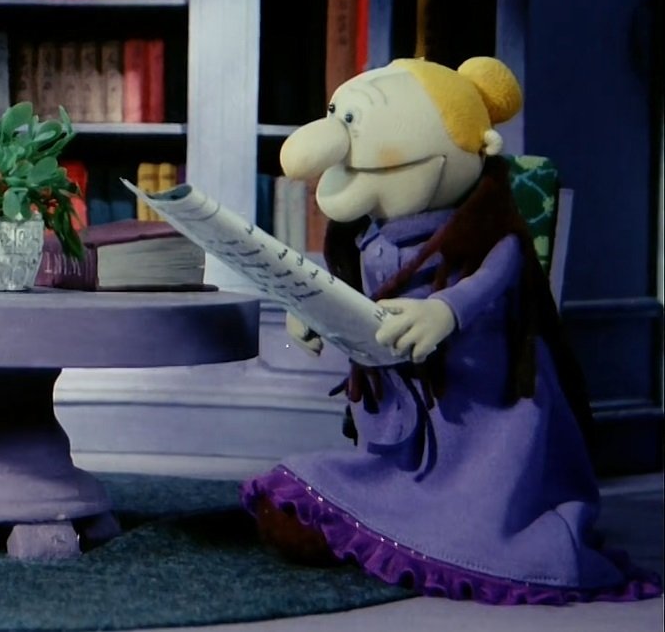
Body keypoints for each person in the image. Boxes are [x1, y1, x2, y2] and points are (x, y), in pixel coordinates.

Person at [241, 56, 661, 603]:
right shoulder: (369, 239)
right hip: (406, 412)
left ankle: (434, 528)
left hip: (482, 418)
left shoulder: (490, 237)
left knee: (476, 511)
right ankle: (384, 514)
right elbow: (357, 297)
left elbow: (490, 283)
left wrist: (445, 311)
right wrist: (313, 308)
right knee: (296, 498)